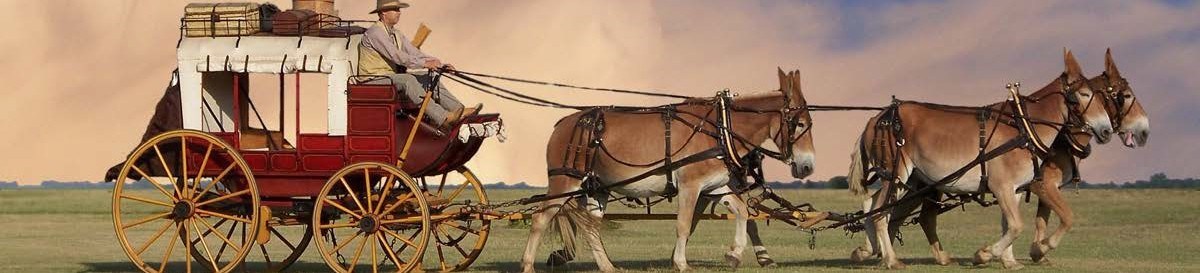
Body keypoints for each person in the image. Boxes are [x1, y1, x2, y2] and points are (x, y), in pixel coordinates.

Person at [359, 0, 480, 129]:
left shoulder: (396, 34)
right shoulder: (375, 33)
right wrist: (425, 64)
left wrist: (439, 64)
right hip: (373, 79)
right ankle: (443, 117)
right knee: (408, 80)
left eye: (399, 10)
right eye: (395, 9)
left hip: (389, 77)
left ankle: (458, 111)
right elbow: (398, 57)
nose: (399, 13)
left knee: (430, 77)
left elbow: (414, 52)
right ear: (383, 12)